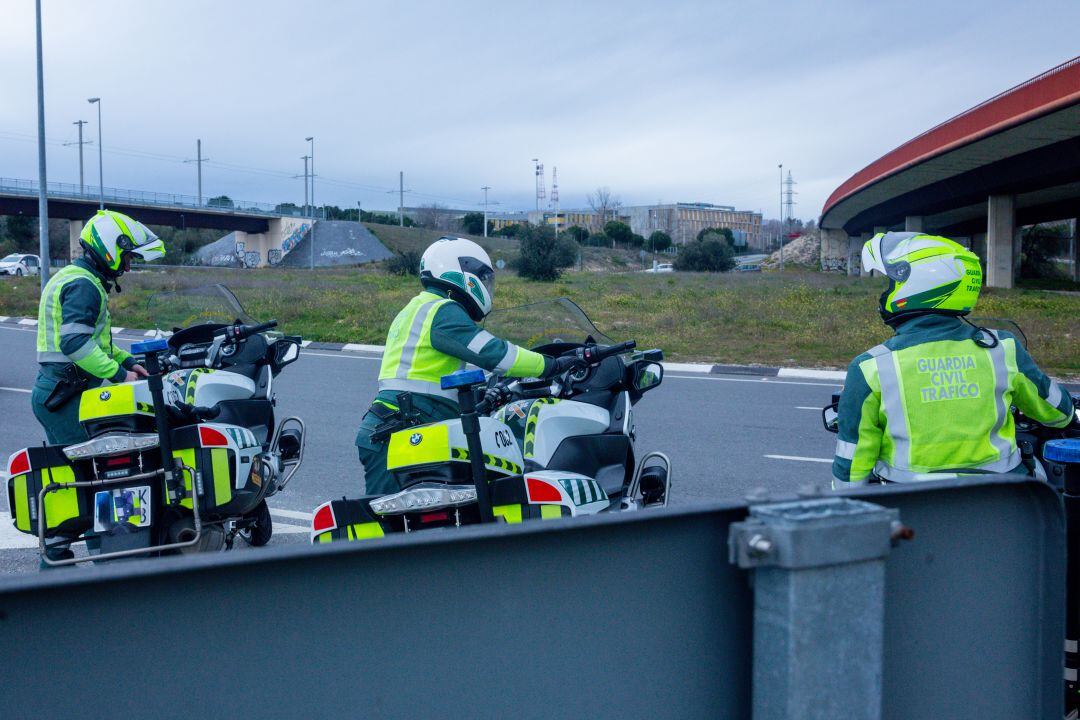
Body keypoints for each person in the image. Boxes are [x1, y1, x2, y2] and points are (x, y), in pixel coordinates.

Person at [832, 231, 1074, 488]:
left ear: (916, 284)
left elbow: (851, 469)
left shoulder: (870, 366)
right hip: (1000, 507)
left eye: (891, 283)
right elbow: (1059, 414)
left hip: (912, 511)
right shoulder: (1002, 349)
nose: (886, 292)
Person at [355, 236, 582, 495]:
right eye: (482, 278)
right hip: (403, 427)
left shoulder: (417, 307)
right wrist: (552, 365)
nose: (487, 286)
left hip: (400, 423)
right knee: (393, 523)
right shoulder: (441, 310)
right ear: (461, 274)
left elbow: (434, 372)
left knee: (416, 515)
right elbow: (495, 354)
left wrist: (483, 391)